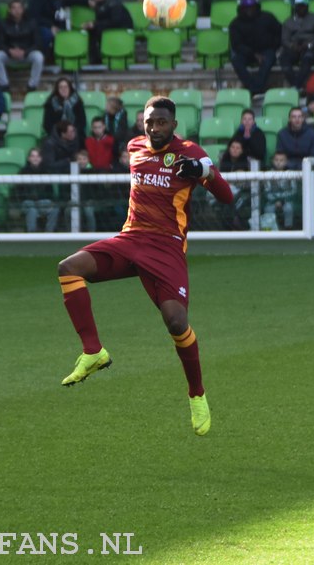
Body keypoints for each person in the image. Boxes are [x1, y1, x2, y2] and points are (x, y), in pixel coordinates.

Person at [56, 96, 233, 437]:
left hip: (166, 247)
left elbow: (227, 196)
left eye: (161, 122)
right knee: (69, 268)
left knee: (176, 321)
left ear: (174, 125)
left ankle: (196, 393)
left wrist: (204, 173)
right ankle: (93, 351)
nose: (154, 128)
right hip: (131, 239)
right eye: (149, 122)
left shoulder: (191, 153)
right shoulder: (135, 145)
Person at [228, 0, 282, 98]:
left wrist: (274, 47)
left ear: (256, 7)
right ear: (242, 9)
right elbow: (237, 45)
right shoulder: (235, 24)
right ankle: (254, 87)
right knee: (236, 61)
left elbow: (279, 32)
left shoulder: (267, 17)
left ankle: (255, 88)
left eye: (252, 7)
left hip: (266, 50)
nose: (249, 10)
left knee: (268, 59)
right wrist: (253, 54)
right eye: (246, 8)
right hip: (246, 53)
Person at [0, 0, 44, 93]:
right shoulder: (2, 24)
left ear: (23, 10)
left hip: (26, 54)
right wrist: (9, 51)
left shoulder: (32, 23)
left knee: (39, 57)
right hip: (9, 54)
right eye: (14, 8)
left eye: (19, 8)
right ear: (9, 10)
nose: (17, 10)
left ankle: (32, 86)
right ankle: (4, 85)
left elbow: (37, 43)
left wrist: (25, 51)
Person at [279, 0, 314, 92]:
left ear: (307, 6)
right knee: (284, 60)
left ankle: (296, 87)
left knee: (307, 58)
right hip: (293, 48)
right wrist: (292, 46)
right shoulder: (288, 21)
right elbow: (284, 39)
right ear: (295, 7)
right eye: (299, 6)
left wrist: (310, 45)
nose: (301, 8)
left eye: (304, 6)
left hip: (311, 47)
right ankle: (297, 85)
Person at [82, 0, 133, 64]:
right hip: (111, 27)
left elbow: (115, 21)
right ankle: (95, 58)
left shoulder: (114, 4)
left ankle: (97, 59)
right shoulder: (103, 4)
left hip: (121, 29)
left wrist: (95, 24)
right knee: (91, 30)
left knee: (95, 29)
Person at [16, 147, 60, 233]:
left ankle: (49, 233)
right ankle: (31, 234)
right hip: (27, 202)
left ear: (41, 158)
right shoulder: (23, 172)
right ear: (29, 158)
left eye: (37, 156)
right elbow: (19, 192)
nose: (35, 158)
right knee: (32, 209)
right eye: (33, 156)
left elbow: (50, 192)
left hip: (42, 202)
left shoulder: (46, 172)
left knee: (55, 208)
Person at [262, 151, 299, 230]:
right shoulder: (268, 174)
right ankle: (270, 228)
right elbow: (266, 191)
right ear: (272, 161)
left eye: (281, 160)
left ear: (286, 162)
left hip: (287, 200)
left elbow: (294, 191)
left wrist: (282, 200)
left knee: (288, 208)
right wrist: (275, 200)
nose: (278, 162)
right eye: (276, 160)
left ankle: (288, 228)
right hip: (272, 201)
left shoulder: (291, 174)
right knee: (268, 209)